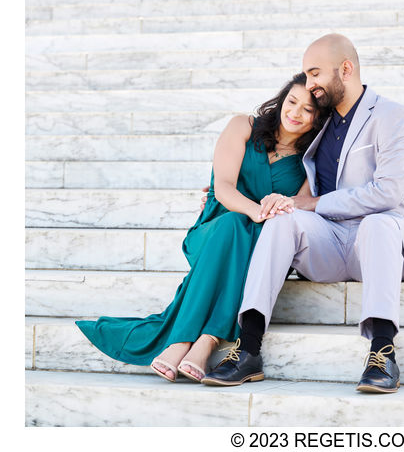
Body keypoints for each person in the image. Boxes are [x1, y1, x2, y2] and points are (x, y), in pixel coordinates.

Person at [202, 33, 404, 394]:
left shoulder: (392, 116)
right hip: (331, 242)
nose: (310, 85)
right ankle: (247, 350)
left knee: (378, 222)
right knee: (282, 219)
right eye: (306, 76)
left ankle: (382, 352)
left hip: (384, 243)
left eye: (315, 74)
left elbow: (389, 193)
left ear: (345, 69)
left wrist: (316, 204)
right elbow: (280, 159)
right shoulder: (318, 120)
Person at [75, 73, 327, 383]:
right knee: (234, 224)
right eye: (292, 102)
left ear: (317, 119)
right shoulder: (242, 127)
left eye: (308, 110)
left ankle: (200, 341)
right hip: (212, 232)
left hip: (258, 249)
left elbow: (296, 207)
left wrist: (270, 214)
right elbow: (222, 187)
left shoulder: (308, 162)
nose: (295, 113)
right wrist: (257, 212)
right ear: (281, 100)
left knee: (246, 236)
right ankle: (189, 341)